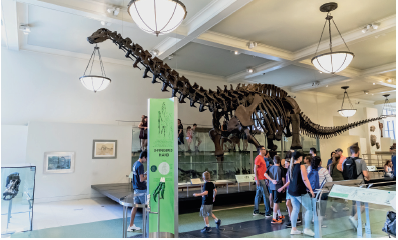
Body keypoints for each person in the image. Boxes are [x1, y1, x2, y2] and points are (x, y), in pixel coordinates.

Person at [341, 145, 370, 229]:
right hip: (360, 184)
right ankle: (355, 218)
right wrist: (368, 176)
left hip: (351, 184)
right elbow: (365, 174)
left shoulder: (345, 160)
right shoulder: (361, 161)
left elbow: (344, 172)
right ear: (358, 151)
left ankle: (357, 220)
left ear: (350, 152)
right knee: (364, 205)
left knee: (355, 203)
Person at [288, 151, 315, 236]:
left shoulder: (290, 166)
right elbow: (305, 179)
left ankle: (294, 229)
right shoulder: (301, 166)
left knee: (295, 209)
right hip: (300, 191)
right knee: (309, 209)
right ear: (299, 157)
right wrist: (311, 190)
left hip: (292, 191)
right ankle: (307, 228)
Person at [307, 156, 333, 228]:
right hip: (322, 192)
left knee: (313, 206)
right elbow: (330, 180)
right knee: (322, 208)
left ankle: (313, 219)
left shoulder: (309, 169)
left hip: (311, 191)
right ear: (320, 162)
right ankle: (320, 224)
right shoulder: (323, 170)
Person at [128, 150, 147, 231]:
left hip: (136, 189)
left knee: (135, 207)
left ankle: (131, 225)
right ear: (143, 157)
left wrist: (145, 174)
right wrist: (149, 175)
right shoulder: (140, 165)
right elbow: (142, 179)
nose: (146, 161)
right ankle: (149, 226)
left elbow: (138, 176)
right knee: (147, 207)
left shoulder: (135, 163)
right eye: (146, 159)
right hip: (142, 190)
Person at [264, 155, 285, 224]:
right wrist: (284, 187)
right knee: (276, 202)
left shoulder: (270, 167)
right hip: (278, 187)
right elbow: (283, 179)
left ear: (273, 161)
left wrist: (271, 180)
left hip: (271, 187)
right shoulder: (281, 169)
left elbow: (265, 174)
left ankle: (279, 215)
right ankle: (274, 218)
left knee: (276, 201)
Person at [253, 146, 272, 217]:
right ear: (260, 150)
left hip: (262, 179)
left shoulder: (262, 158)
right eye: (264, 149)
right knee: (266, 195)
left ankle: (256, 211)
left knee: (258, 195)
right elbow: (255, 169)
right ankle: (267, 212)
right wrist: (257, 179)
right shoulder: (258, 158)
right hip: (260, 179)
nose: (265, 150)